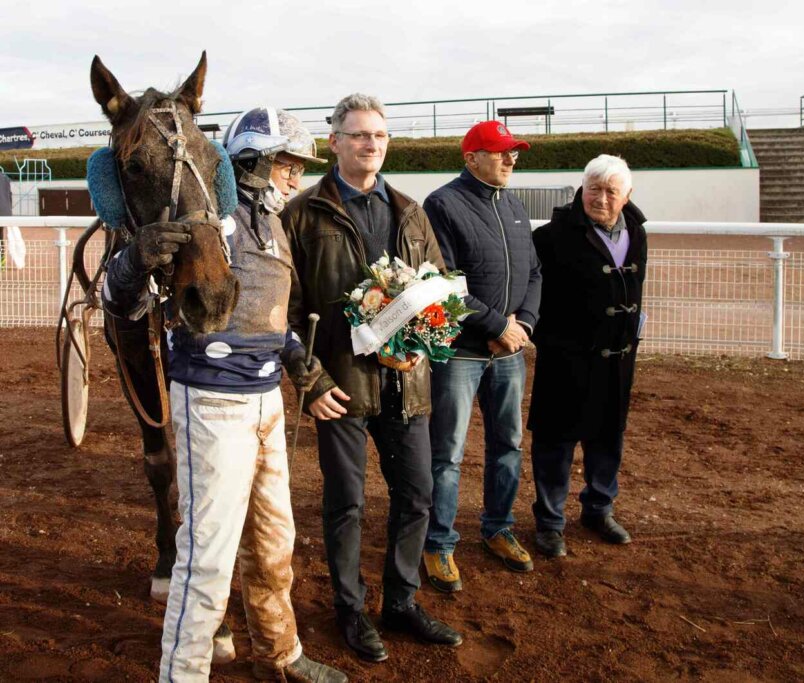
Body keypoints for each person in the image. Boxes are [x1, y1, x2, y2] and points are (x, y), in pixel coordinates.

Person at [103, 106, 347, 682]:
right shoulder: (209, 218)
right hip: (213, 402)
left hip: (266, 401)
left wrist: (301, 363)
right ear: (254, 162)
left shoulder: (274, 226)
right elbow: (123, 304)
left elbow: (272, 317)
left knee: (274, 543)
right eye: (288, 165)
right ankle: (183, 673)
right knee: (207, 558)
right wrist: (135, 258)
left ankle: (279, 653)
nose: (296, 177)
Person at [282, 93, 462, 663]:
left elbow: (437, 288)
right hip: (340, 386)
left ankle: (401, 603)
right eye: (359, 135)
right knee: (347, 503)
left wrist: (421, 347)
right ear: (335, 142)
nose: (371, 144)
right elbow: (282, 311)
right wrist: (310, 381)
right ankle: (350, 609)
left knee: (418, 495)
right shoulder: (302, 215)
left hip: (406, 384)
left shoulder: (411, 211)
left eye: (379, 136)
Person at [420, 120, 541, 593]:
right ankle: (438, 542)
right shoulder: (443, 204)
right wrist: (496, 327)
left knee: (508, 445)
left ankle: (498, 527)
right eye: (500, 152)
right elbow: (443, 281)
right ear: (471, 158)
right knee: (447, 454)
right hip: (461, 354)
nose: (510, 160)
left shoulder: (513, 204)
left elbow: (534, 273)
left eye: (514, 153)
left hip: (509, 352)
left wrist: (522, 325)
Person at [528, 155, 647, 558]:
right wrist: (552, 341)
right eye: (594, 188)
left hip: (617, 361)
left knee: (608, 437)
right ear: (582, 189)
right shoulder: (551, 236)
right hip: (566, 361)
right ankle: (549, 522)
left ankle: (599, 509)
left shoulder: (637, 232)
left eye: (611, 191)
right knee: (555, 443)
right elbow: (534, 293)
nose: (601, 198)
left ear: (627, 195)